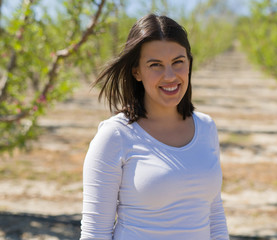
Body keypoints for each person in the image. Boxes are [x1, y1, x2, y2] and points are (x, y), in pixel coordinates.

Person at [80, 13, 229, 240]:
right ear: (136, 71)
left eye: (178, 62)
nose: (170, 76)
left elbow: (215, 215)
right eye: (155, 65)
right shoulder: (115, 136)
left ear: (189, 63)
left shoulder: (206, 128)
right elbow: (95, 234)